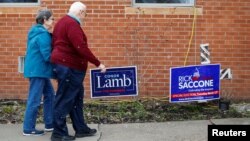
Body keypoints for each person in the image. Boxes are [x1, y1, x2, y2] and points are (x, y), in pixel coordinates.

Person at [50, 2, 106, 141]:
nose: (85, 17)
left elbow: (54, 43)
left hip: (66, 66)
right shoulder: (72, 24)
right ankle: (58, 133)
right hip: (69, 67)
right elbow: (80, 47)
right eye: (85, 13)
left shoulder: (62, 22)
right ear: (80, 12)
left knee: (76, 98)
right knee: (65, 99)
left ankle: (80, 128)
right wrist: (98, 63)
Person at [23, 9, 55, 136]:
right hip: (38, 71)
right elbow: (48, 56)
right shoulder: (42, 35)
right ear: (44, 20)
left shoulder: (36, 32)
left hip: (39, 71)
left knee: (50, 96)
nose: (53, 21)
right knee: (34, 99)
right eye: (52, 19)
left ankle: (49, 123)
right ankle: (28, 128)